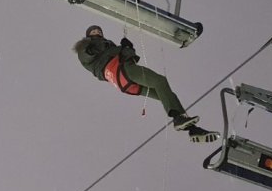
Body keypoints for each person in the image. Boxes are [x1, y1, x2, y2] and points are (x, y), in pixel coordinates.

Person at [74, 25, 218, 142]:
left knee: (165, 94)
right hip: (123, 70)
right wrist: (118, 48)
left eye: (99, 30)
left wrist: (127, 48)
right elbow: (89, 55)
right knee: (160, 81)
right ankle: (178, 119)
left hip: (123, 83)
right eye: (94, 31)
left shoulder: (105, 47)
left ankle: (191, 129)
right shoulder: (87, 47)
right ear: (88, 35)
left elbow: (120, 55)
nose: (97, 32)